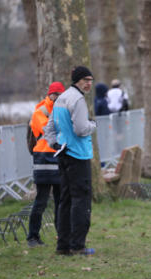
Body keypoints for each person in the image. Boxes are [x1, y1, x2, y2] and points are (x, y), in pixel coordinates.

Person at [44, 66, 97, 256]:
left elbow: (48, 128)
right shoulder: (78, 99)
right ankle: (78, 245)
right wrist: (93, 124)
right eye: (85, 80)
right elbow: (82, 129)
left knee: (65, 200)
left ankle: (63, 245)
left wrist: (55, 145)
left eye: (91, 80)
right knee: (80, 200)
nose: (89, 83)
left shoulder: (60, 99)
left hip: (64, 154)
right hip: (78, 155)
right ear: (77, 81)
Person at [27, 81, 65, 248]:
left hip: (58, 158)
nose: (56, 97)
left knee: (60, 200)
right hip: (44, 158)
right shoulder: (40, 111)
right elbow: (50, 131)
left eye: (59, 95)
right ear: (49, 95)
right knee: (41, 200)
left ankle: (62, 235)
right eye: (54, 94)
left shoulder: (62, 110)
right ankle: (32, 237)